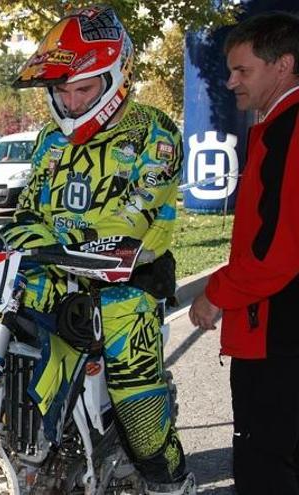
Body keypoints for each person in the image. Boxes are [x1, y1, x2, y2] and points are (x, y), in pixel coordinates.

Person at [8, 6, 193, 494]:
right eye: (61, 90)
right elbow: (28, 213)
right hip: (53, 279)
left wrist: (49, 243)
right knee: (4, 357)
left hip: (125, 289)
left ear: (116, 77)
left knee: (140, 415)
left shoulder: (156, 132)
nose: (69, 101)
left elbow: (128, 224)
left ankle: (172, 481)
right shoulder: (49, 139)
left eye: (82, 89)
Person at [188, 12, 299, 494]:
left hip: (281, 336)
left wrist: (216, 294)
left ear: (284, 65)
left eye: (243, 71)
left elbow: (278, 249)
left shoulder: (289, 129)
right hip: (277, 329)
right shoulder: (276, 126)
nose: (231, 81)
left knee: (266, 464)